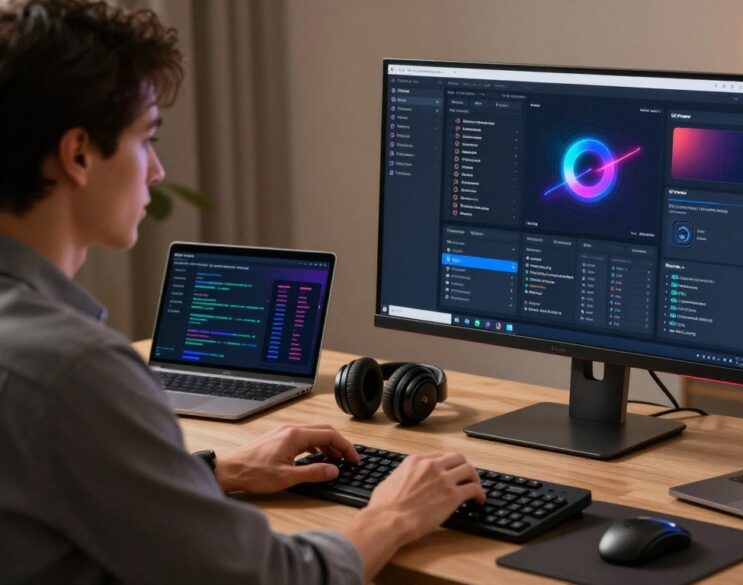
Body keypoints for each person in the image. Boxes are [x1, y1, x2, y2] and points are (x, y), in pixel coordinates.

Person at [0, 1, 485, 583]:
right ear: (78, 154)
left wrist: (213, 472)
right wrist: (394, 513)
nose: (156, 170)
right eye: (146, 139)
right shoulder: (74, 372)